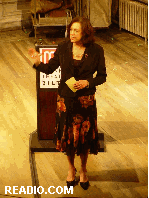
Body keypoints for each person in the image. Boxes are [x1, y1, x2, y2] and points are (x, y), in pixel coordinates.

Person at [29, 16, 107, 190]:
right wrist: (37, 62)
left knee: (84, 138)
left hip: (85, 100)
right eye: (71, 30)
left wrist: (88, 83)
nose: (71, 33)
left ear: (85, 32)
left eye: (76, 30)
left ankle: (84, 170)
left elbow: (102, 76)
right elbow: (49, 69)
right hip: (65, 100)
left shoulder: (96, 50)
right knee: (68, 138)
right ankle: (71, 169)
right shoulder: (63, 48)